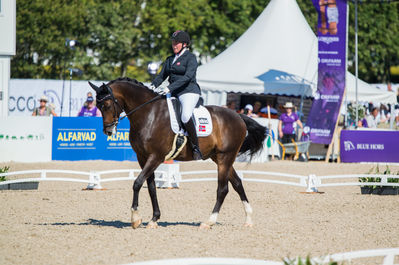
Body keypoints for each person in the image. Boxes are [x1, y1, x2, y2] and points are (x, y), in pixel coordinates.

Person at [149, 30, 203, 160]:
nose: (174, 45)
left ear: (184, 44)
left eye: (176, 43)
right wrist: (151, 87)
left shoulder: (191, 58)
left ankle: (195, 146)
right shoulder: (170, 59)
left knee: (185, 116)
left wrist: (169, 88)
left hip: (188, 91)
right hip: (173, 92)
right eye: (173, 42)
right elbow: (161, 76)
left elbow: (188, 77)